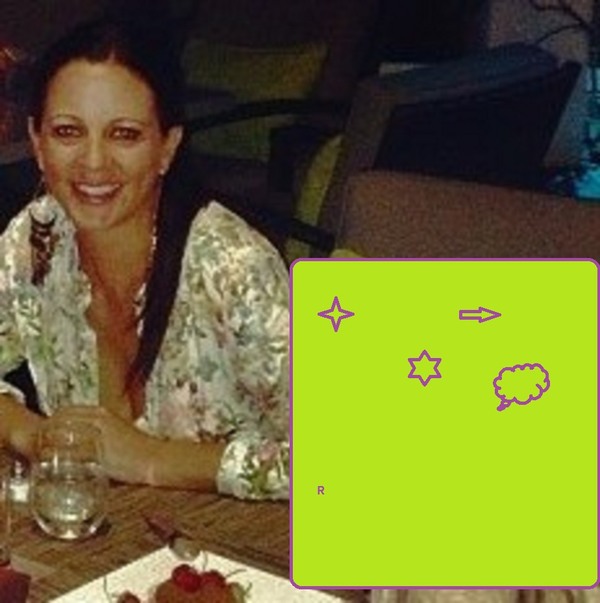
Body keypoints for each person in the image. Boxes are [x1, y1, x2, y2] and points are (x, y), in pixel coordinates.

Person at [0, 17, 289, 500]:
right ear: (37, 142)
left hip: (257, 541)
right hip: (107, 532)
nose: (93, 162)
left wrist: (151, 458)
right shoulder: (35, 239)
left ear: (166, 148)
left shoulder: (234, 268)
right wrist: (33, 435)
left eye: (124, 134)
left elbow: (353, 457)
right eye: (68, 132)